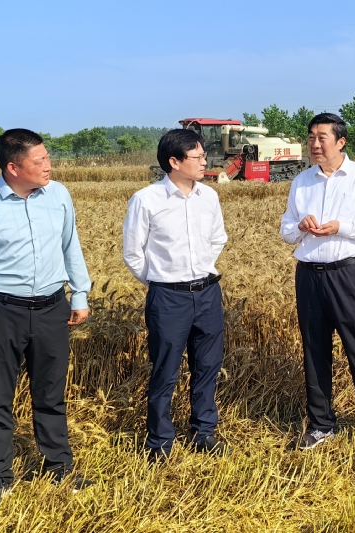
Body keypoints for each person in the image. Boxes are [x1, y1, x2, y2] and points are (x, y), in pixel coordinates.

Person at [0, 129, 93, 514]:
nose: (49, 166)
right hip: (1, 312)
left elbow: (70, 244)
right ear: (13, 168)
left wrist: (79, 293)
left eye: (48, 157)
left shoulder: (59, 195)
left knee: (51, 393)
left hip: (52, 308)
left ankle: (59, 468)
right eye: (40, 161)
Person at [280, 113, 355, 450]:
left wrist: (340, 227)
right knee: (314, 350)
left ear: (341, 142)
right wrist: (300, 227)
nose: (314, 144)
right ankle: (321, 425)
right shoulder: (301, 182)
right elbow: (286, 230)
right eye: (311, 137)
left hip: (348, 275)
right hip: (309, 276)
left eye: (322, 137)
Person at [123, 129, 229, 463]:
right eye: (197, 157)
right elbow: (133, 253)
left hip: (208, 292)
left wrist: (201, 268)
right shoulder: (146, 200)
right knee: (165, 370)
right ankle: (159, 441)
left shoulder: (209, 197)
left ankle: (204, 433)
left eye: (203, 155)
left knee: (207, 367)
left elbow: (218, 238)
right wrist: (161, 280)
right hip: (168, 298)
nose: (204, 162)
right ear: (174, 161)